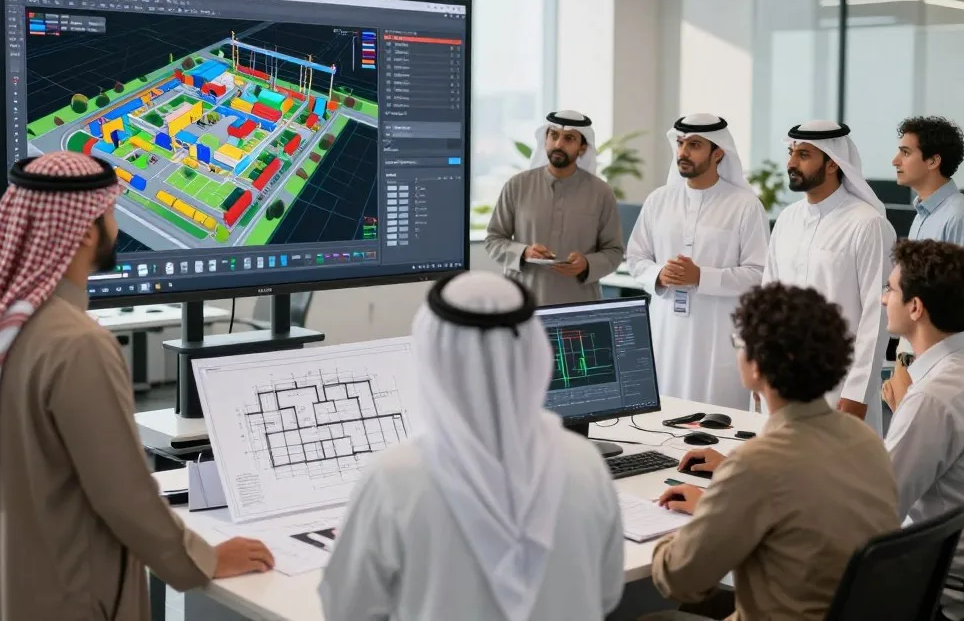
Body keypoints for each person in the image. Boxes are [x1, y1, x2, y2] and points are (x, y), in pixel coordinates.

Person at [0, 153, 273, 621]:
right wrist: (204, 560)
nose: (116, 225)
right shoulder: (77, 344)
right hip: (62, 596)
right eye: (110, 212)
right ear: (86, 231)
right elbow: (122, 494)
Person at [319, 271, 624, 621]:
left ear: (431, 354)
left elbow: (347, 609)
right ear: (534, 352)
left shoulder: (392, 479)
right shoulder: (585, 462)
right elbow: (606, 593)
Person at [640, 283, 899, 621]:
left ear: (757, 366)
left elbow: (679, 580)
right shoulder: (867, 441)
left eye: (739, 343)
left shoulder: (756, 465)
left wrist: (687, 530)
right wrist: (719, 508)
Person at [626, 114, 769, 409]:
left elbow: (759, 273)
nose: (683, 152)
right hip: (666, 332)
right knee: (660, 413)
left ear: (718, 153)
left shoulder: (745, 206)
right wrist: (659, 274)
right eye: (680, 143)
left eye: (694, 145)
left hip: (718, 336)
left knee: (718, 418)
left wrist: (701, 277)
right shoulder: (658, 200)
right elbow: (636, 258)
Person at [763, 120, 896, 434]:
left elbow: (877, 314)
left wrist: (857, 393)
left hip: (840, 386)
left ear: (834, 162)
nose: (791, 163)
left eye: (803, 155)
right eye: (791, 153)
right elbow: (768, 298)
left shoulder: (868, 224)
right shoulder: (787, 219)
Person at [880, 239, 964, 621]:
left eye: (890, 289)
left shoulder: (931, 400)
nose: (882, 298)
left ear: (915, 308)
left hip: (934, 596)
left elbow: (875, 510)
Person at [485, 110, 624, 306]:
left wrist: (587, 264)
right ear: (545, 140)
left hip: (578, 304)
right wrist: (524, 252)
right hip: (523, 304)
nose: (559, 144)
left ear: (582, 147)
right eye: (554, 135)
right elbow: (493, 239)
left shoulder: (601, 193)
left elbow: (614, 251)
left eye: (569, 138)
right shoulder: (517, 185)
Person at [893, 116, 964, 342]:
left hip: (953, 350)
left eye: (905, 153)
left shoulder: (960, 217)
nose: (895, 161)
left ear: (933, 161)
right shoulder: (922, 215)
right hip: (923, 345)